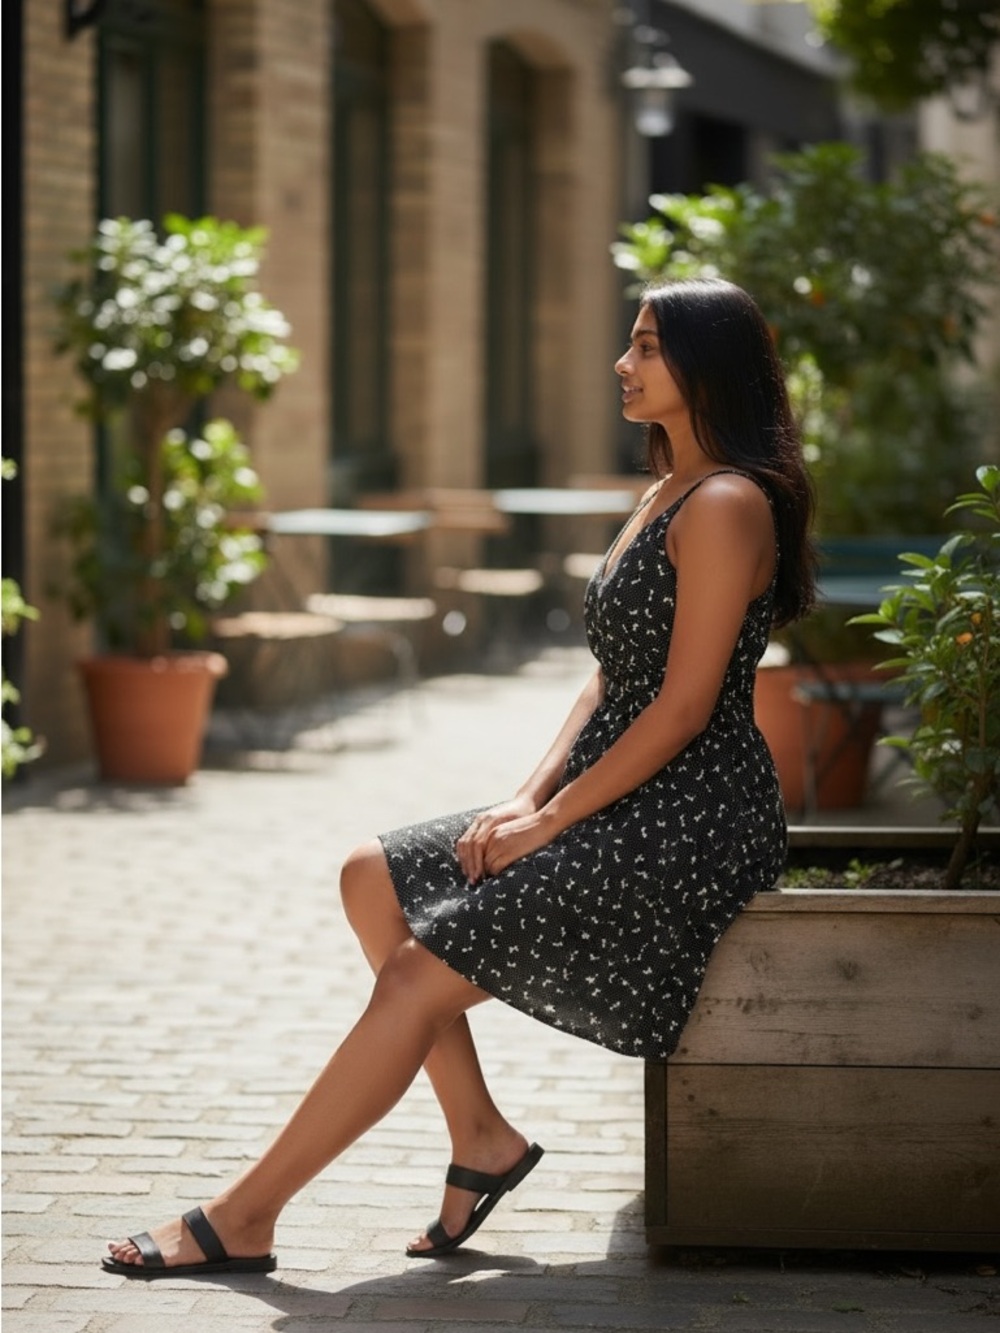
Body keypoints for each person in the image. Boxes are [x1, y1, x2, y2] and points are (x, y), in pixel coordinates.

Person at [103, 276, 816, 1278]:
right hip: (618, 793)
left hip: (687, 820)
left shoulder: (729, 504)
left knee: (413, 974)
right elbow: (609, 680)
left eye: (647, 347)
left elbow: (682, 708)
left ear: (707, 366)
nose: (622, 363)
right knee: (370, 874)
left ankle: (244, 1215)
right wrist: (524, 798)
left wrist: (547, 824)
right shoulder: (661, 491)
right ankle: (482, 1137)